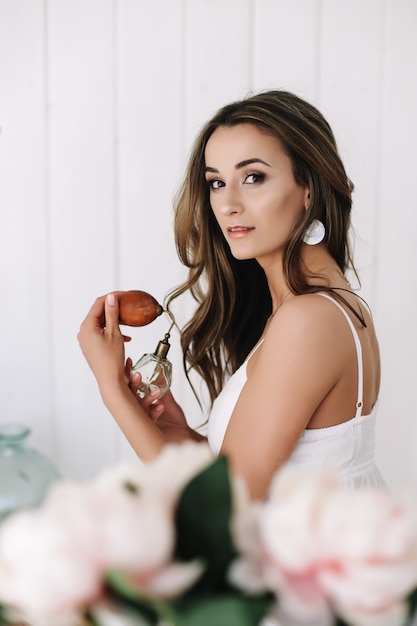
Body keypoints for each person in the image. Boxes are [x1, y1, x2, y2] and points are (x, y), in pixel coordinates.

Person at [78, 90, 386, 500]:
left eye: (253, 177)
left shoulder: (309, 319)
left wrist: (112, 389)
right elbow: (259, 473)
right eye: (217, 183)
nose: (226, 204)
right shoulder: (321, 307)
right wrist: (179, 437)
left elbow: (227, 509)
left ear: (308, 187)